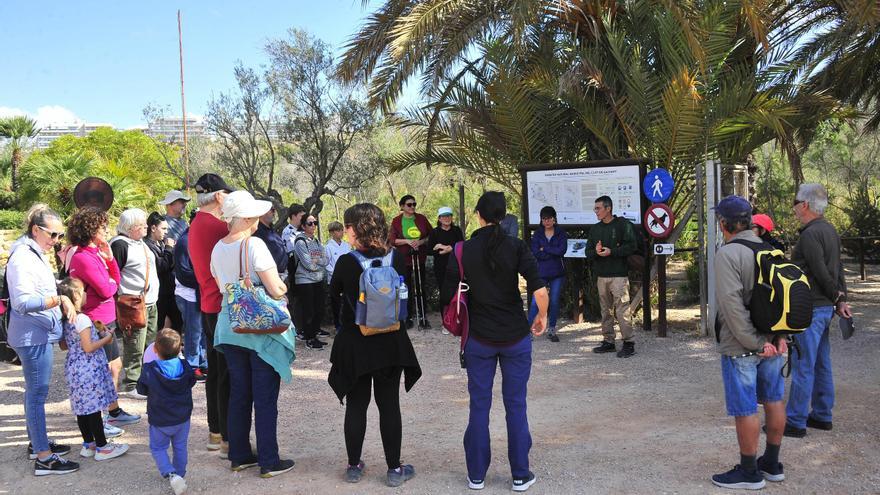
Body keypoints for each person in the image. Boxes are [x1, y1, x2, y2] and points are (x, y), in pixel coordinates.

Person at [440, 191, 549, 492]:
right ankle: (520, 474)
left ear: (479, 215)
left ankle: (476, 475)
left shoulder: (462, 250)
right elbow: (539, 290)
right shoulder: (516, 245)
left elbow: (448, 294)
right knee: (516, 405)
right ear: (503, 216)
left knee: (479, 406)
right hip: (515, 337)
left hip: (478, 339)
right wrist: (542, 316)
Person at [328, 203, 422, 487]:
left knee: (356, 405)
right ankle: (394, 469)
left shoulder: (346, 262)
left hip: (357, 343)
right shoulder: (396, 258)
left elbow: (333, 298)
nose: (345, 231)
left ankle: (354, 466)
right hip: (391, 342)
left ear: (358, 228)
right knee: (389, 405)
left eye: (348, 226)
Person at [210, 190, 297, 478]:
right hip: (259, 329)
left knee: (239, 393)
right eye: (256, 214)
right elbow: (275, 287)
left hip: (230, 326)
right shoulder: (254, 244)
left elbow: (222, 284)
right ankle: (269, 461)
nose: (259, 218)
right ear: (246, 218)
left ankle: (239, 455)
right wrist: (283, 291)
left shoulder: (217, 247)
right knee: (264, 395)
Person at [710, 195, 788, 490]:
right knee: (773, 399)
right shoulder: (769, 249)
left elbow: (731, 306)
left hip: (743, 346)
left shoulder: (728, 254)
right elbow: (783, 300)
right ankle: (772, 463)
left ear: (722, 224)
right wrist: (778, 338)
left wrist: (754, 343)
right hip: (773, 341)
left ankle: (748, 471)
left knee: (745, 408)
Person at [7, 204, 79, 475]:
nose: (57, 241)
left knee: (33, 392)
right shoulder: (23, 258)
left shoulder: (31, 253)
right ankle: (43, 457)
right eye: (53, 235)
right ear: (36, 230)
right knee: (37, 395)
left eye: (60, 236)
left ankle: (36, 443)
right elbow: (23, 302)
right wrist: (59, 299)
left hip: (35, 333)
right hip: (31, 335)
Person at [785, 183, 852, 437]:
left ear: (805, 205)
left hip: (810, 307)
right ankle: (823, 414)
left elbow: (821, 271)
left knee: (804, 363)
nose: (793, 209)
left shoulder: (810, 235)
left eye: (795, 203)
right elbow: (838, 269)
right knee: (822, 363)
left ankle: (796, 421)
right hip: (824, 309)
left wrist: (836, 296)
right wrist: (840, 299)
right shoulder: (830, 231)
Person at [66, 207, 141, 431]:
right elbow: (108, 288)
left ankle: (112, 410)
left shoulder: (94, 253)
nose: (106, 230)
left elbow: (112, 282)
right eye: (102, 227)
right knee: (106, 368)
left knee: (114, 365)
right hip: (96, 319)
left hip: (104, 317)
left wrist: (109, 262)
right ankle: (106, 416)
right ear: (91, 230)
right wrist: (110, 277)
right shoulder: (83, 257)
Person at [58, 278, 130, 462]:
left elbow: (64, 345)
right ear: (75, 295)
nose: (86, 294)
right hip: (88, 367)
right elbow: (89, 347)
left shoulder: (66, 320)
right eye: (83, 291)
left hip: (74, 366)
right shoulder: (82, 318)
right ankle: (102, 446)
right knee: (94, 408)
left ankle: (88, 444)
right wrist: (107, 338)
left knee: (82, 408)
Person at [189, 173, 233, 454]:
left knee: (217, 372)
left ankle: (216, 432)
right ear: (218, 196)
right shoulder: (216, 226)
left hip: (207, 303)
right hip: (219, 304)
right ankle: (229, 436)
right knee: (227, 373)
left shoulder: (196, 223)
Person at [137, 328, 197, 495]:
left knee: (158, 448)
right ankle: (180, 474)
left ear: (155, 350)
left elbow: (141, 389)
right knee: (180, 446)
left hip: (159, 418)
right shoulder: (185, 366)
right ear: (180, 350)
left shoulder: (150, 369)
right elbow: (192, 381)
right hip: (182, 417)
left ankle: (170, 473)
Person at [111, 208, 160, 398]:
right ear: (131, 227)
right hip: (133, 303)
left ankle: (145, 380)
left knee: (149, 343)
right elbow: (115, 275)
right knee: (134, 344)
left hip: (149, 301)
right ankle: (132, 383)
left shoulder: (139, 243)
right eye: (142, 225)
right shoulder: (120, 245)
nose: (146, 227)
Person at [586, 195, 637, 358]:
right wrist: (596, 251)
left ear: (608, 209)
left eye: (598, 208)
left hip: (619, 276)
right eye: (595, 208)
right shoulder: (595, 229)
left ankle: (629, 343)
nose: (596, 211)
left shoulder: (623, 225)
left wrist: (612, 252)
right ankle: (608, 341)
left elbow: (632, 246)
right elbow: (587, 253)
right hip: (601, 276)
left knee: (622, 310)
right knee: (605, 310)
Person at [389, 195, 432, 329]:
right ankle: (407, 317)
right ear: (402, 206)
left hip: (419, 257)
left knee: (420, 287)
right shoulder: (396, 221)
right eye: (409, 204)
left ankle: (423, 316)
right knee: (405, 288)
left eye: (414, 204)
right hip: (404, 259)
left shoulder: (421, 219)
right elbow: (392, 240)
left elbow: (431, 235)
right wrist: (407, 241)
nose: (412, 207)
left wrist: (420, 241)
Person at [528, 206, 568, 342]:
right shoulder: (537, 234)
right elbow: (535, 252)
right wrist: (551, 252)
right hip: (541, 272)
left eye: (549, 218)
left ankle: (551, 328)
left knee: (555, 300)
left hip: (558, 273)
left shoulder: (561, 233)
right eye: (544, 219)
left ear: (554, 219)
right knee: (535, 302)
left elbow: (561, 251)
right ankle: (529, 330)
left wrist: (545, 248)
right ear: (541, 220)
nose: (547, 221)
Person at [174, 220, 207, 382]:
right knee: (193, 332)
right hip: (188, 294)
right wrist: (204, 278)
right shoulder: (185, 241)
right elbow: (183, 272)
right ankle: (192, 366)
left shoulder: (197, 238)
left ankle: (202, 362)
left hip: (200, 292)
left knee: (202, 330)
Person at [294, 214, 330, 349]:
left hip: (318, 280)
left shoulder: (316, 241)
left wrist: (317, 261)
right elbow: (308, 264)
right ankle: (309, 338)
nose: (313, 225)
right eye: (310, 223)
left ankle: (314, 334)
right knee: (309, 310)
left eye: (315, 222)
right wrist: (317, 262)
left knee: (319, 309)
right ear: (303, 226)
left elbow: (326, 260)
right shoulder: (300, 242)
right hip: (305, 281)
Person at [427, 207, 464, 329]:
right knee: (444, 295)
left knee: (457, 293)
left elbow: (462, 245)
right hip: (441, 268)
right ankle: (446, 322)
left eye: (449, 216)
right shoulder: (435, 232)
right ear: (439, 218)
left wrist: (449, 248)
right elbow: (430, 250)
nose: (446, 218)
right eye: (443, 216)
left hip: (457, 267)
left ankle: (458, 319)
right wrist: (440, 251)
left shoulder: (457, 230)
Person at [146, 212, 182, 332]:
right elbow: (161, 266)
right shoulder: (147, 246)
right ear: (153, 228)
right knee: (158, 325)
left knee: (177, 322)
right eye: (163, 228)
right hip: (158, 294)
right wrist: (169, 249)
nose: (166, 232)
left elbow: (170, 264)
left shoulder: (161, 242)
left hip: (170, 290)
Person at [324, 221, 351, 333]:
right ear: (332, 233)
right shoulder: (328, 247)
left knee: (348, 301)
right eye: (338, 230)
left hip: (347, 277)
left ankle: (348, 323)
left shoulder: (347, 245)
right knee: (336, 303)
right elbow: (326, 263)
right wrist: (336, 273)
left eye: (341, 230)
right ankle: (338, 325)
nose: (341, 232)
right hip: (334, 278)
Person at [254, 201, 287, 279]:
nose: (274, 212)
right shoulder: (257, 232)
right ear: (262, 212)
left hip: (284, 275)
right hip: (270, 277)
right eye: (272, 210)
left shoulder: (272, 231)